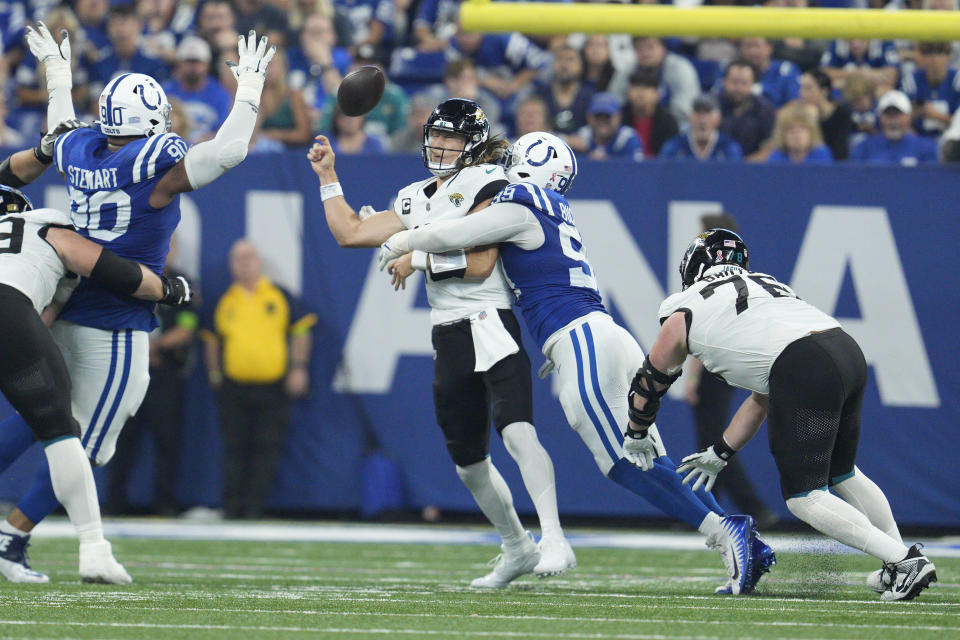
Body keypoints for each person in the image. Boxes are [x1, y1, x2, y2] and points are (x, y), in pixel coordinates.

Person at [377, 131, 774, 596]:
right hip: (600, 335)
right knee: (652, 460)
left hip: (580, 338)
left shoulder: (523, 203)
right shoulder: (550, 207)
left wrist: (402, 243)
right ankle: (738, 535)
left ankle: (726, 533)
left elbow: (456, 234)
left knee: (624, 465)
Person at [0, 24, 277, 583]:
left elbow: (58, 128)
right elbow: (229, 149)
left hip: (69, 293)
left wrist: (58, 74)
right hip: (119, 314)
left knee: (41, 416)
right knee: (84, 441)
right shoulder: (156, 169)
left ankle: (13, 538)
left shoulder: (79, 147)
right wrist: (248, 89)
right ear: (152, 125)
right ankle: (14, 538)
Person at [308, 98, 576, 587]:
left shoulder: (488, 183)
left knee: (515, 432)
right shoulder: (413, 197)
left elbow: (480, 265)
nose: (441, 144)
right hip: (447, 331)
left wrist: (418, 257)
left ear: (472, 143)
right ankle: (516, 546)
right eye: (437, 134)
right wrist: (328, 176)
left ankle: (553, 537)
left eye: (452, 137)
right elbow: (350, 233)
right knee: (469, 463)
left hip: (489, 320)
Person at [628, 227, 937, 602]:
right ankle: (900, 558)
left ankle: (902, 561)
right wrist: (720, 452)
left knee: (804, 496)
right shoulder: (766, 288)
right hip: (844, 349)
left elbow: (649, 382)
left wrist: (636, 432)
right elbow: (763, 398)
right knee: (843, 472)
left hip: (803, 364)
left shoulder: (684, 308)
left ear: (695, 266)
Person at [0, 138, 191, 584]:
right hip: (14, 311)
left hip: (17, 312)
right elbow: (111, 269)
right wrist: (167, 290)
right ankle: (88, 546)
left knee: (41, 421)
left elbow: (10, 169)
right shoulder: (44, 224)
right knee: (65, 434)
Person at [202, 240, 315, 520]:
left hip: (273, 386)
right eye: (238, 258)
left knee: (267, 447)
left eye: (249, 257)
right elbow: (211, 341)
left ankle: (255, 507)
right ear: (231, 265)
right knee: (234, 447)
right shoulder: (224, 300)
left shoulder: (278, 295)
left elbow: (302, 329)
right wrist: (215, 374)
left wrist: (298, 367)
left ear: (259, 261)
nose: (244, 263)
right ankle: (232, 506)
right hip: (234, 386)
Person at [682, 214, 779, 530]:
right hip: (733, 358)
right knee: (710, 440)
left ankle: (749, 507)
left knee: (715, 442)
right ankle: (708, 509)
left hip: (717, 361)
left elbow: (704, 328)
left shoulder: (711, 277)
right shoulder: (743, 276)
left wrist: (693, 376)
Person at [108, 241, 198, 517]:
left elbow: (188, 326)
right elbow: (114, 316)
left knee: (167, 439)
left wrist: (155, 347)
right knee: (122, 438)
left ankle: (165, 503)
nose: (165, 249)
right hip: (132, 368)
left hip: (165, 373)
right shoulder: (130, 275)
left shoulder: (182, 282)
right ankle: (114, 502)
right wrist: (140, 347)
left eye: (171, 245)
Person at [849, 90, 938, 165]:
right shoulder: (864, 148)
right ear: (880, 118)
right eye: (888, 114)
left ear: (908, 116)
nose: (893, 120)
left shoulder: (926, 148)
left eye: (897, 114)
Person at [659, 95, 742, 161]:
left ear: (718, 119)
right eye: (698, 113)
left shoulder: (729, 149)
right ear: (689, 118)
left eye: (707, 113)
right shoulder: (673, 148)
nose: (702, 120)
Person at [719, 60, 775, 157]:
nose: (738, 88)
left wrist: (747, 166)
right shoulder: (713, 106)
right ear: (724, 82)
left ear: (753, 84)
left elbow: (771, 145)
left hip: (754, 167)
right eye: (734, 82)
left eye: (744, 83)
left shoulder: (764, 109)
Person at [766, 103, 833, 164]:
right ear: (782, 134)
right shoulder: (776, 157)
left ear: (812, 132)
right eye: (791, 129)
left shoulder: (821, 155)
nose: (797, 134)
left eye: (802, 128)